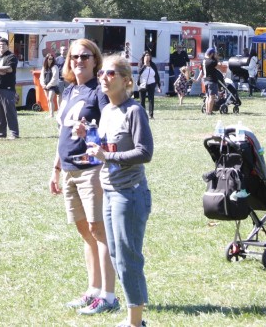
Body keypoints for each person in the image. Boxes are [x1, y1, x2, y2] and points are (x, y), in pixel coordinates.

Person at [49, 39, 118, 316]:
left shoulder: (98, 91)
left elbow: (111, 130)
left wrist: (89, 131)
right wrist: (55, 168)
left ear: (95, 60)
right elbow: (62, 134)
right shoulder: (68, 90)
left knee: (99, 231)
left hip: (92, 170)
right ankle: (92, 290)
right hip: (68, 170)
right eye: (74, 56)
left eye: (85, 56)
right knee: (85, 233)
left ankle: (108, 296)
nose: (79, 60)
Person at [85, 54, 153, 327]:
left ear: (126, 80)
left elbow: (145, 152)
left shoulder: (134, 111)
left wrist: (107, 158)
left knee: (128, 258)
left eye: (110, 73)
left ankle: (135, 322)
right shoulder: (108, 112)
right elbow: (106, 146)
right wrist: (85, 134)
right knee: (115, 255)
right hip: (110, 191)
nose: (103, 77)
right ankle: (133, 317)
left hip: (130, 194)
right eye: (102, 73)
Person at [0, 37, 20, 139]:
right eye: (0, 45)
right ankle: (1, 133)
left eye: (3, 45)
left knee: (9, 112)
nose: (1, 47)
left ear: (7, 46)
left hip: (7, 89)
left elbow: (9, 69)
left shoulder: (11, 57)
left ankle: (14, 133)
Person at [136, 52, 159, 119]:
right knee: (142, 100)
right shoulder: (140, 64)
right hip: (143, 84)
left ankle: (151, 115)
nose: (147, 56)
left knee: (151, 99)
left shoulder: (153, 65)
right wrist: (145, 65)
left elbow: (156, 74)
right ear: (143, 56)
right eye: (146, 55)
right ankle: (143, 115)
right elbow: (139, 72)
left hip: (151, 83)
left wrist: (158, 84)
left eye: (148, 55)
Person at [203, 48, 224, 115]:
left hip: (205, 80)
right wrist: (217, 58)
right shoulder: (212, 62)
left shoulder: (204, 61)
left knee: (207, 96)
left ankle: (207, 110)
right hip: (212, 80)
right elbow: (220, 66)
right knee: (212, 97)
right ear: (212, 54)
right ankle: (209, 112)